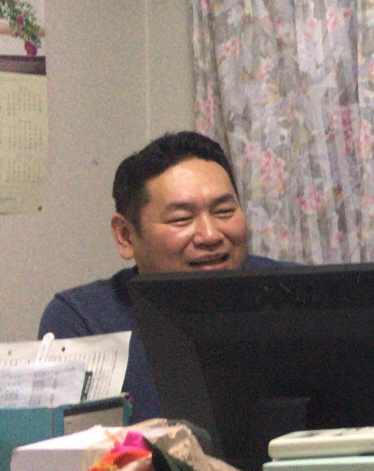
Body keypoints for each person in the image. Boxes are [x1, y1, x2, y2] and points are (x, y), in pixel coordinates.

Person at [39, 131, 282, 421]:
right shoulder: (84, 320)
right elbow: (74, 444)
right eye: (182, 219)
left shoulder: (293, 293)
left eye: (224, 211)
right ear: (125, 236)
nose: (210, 235)